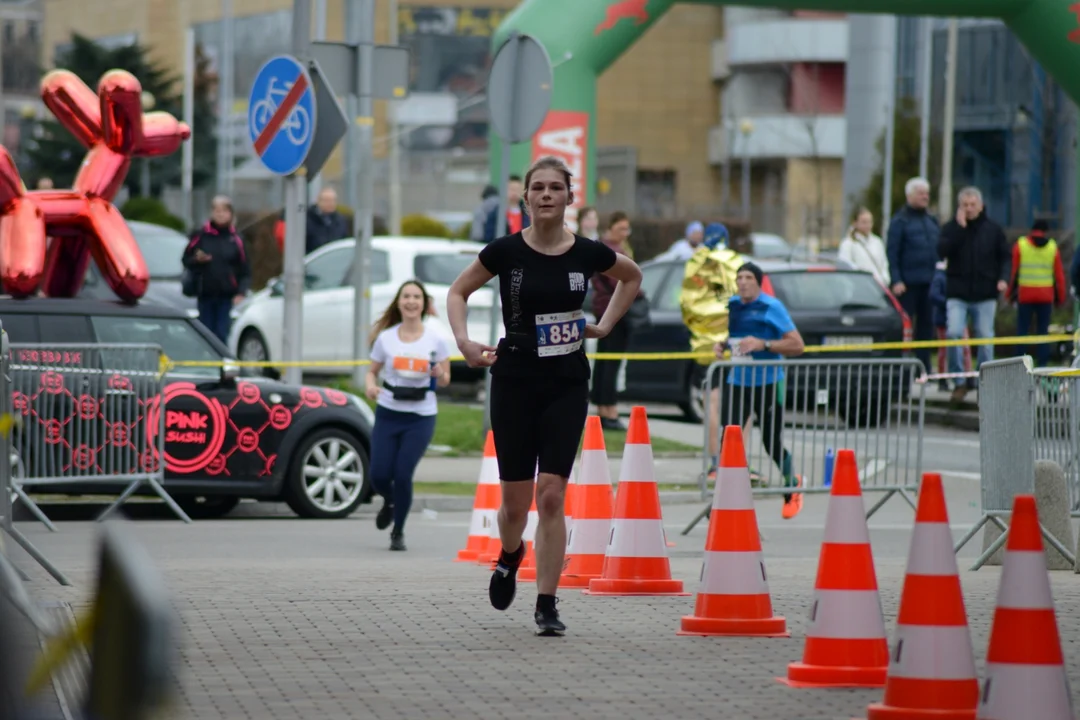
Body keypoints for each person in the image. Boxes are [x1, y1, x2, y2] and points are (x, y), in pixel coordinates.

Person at [446, 155, 643, 636]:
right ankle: (511, 553)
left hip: (566, 381)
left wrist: (605, 324)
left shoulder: (588, 252)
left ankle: (548, 603)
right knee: (515, 506)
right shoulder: (505, 251)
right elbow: (457, 293)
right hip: (514, 379)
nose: (548, 195)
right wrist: (464, 342)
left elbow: (632, 276)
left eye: (557, 187)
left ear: (570, 198)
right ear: (526, 198)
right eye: (539, 188)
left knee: (551, 495)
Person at [364, 279, 451, 551]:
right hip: (389, 412)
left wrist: (439, 374)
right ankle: (390, 501)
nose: (411, 301)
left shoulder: (435, 338)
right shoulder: (386, 338)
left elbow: (446, 379)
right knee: (378, 475)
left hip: (420, 416)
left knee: (402, 474)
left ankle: (398, 531)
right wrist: (370, 386)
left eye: (417, 297)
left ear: (424, 304)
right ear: (399, 303)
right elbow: (371, 371)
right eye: (406, 297)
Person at [714, 262, 805, 519]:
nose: (742, 282)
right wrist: (722, 346)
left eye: (748, 278)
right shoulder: (733, 304)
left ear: (758, 281)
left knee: (771, 443)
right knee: (729, 440)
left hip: (768, 382)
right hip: (738, 381)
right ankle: (728, 501)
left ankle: (792, 487)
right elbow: (737, 336)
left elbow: (797, 345)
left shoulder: (771, 306)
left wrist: (763, 343)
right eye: (739, 277)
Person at [679, 223, 747, 480]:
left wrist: (698, 330)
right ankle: (738, 460)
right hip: (735, 343)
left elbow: (686, 304)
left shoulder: (694, 263)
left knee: (712, 404)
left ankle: (715, 464)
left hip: (705, 347)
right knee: (742, 406)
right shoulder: (735, 261)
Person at [938, 186, 1010, 401]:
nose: (969, 209)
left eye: (972, 205)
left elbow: (1005, 257)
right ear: (959, 207)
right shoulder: (951, 229)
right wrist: (960, 229)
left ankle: (983, 383)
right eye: (965, 205)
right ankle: (959, 381)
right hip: (957, 293)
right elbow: (942, 252)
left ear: (980, 206)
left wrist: (1003, 279)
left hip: (985, 293)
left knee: (985, 339)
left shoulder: (993, 229)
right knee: (953, 333)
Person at [590, 211, 640, 430]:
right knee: (611, 361)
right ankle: (608, 408)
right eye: (621, 228)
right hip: (614, 310)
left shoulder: (612, 248)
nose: (624, 233)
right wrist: (638, 293)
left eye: (627, 229)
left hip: (604, 308)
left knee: (605, 360)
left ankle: (603, 406)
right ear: (610, 228)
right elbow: (619, 282)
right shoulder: (610, 251)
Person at [887, 177, 940, 375]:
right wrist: (896, 279)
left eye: (926, 193)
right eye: (920, 193)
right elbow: (892, 252)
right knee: (906, 327)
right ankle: (903, 367)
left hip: (929, 282)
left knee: (927, 327)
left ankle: (923, 366)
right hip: (907, 284)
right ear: (910, 196)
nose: (925, 196)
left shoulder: (931, 221)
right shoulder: (900, 221)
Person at [182, 195, 250, 342]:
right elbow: (186, 259)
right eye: (217, 210)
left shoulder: (236, 239)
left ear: (230, 214)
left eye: (224, 211)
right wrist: (197, 260)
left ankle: (220, 364)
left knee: (221, 334)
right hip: (205, 295)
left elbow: (244, 269)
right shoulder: (201, 236)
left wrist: (241, 291)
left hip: (225, 297)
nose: (220, 214)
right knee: (204, 335)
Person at [1008, 219, 1066, 368]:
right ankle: (1043, 364)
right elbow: (1059, 276)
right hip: (1045, 295)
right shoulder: (1053, 247)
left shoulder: (1020, 245)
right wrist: (1060, 298)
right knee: (1043, 332)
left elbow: (1013, 273)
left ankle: (1019, 364)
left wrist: (1009, 295)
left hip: (1025, 294)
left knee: (1022, 330)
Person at [930, 261, 974, 391]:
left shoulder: (960, 274)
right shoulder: (940, 276)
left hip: (961, 318)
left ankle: (969, 375)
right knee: (944, 350)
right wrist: (949, 303)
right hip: (944, 320)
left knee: (965, 347)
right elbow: (933, 295)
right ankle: (943, 378)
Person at [838, 207, 890, 286]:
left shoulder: (877, 242)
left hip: (878, 287)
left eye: (869, 222)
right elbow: (846, 266)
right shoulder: (848, 243)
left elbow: (884, 264)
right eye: (864, 222)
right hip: (859, 287)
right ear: (855, 223)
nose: (868, 225)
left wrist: (885, 280)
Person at [482, 174, 531, 241]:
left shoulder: (527, 213)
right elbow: (488, 236)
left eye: (517, 189)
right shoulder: (495, 213)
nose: (514, 192)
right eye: (511, 189)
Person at [306, 186, 350, 254]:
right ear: (318, 201)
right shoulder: (308, 219)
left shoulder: (340, 221)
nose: (330, 203)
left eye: (333, 200)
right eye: (327, 200)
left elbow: (344, 241)